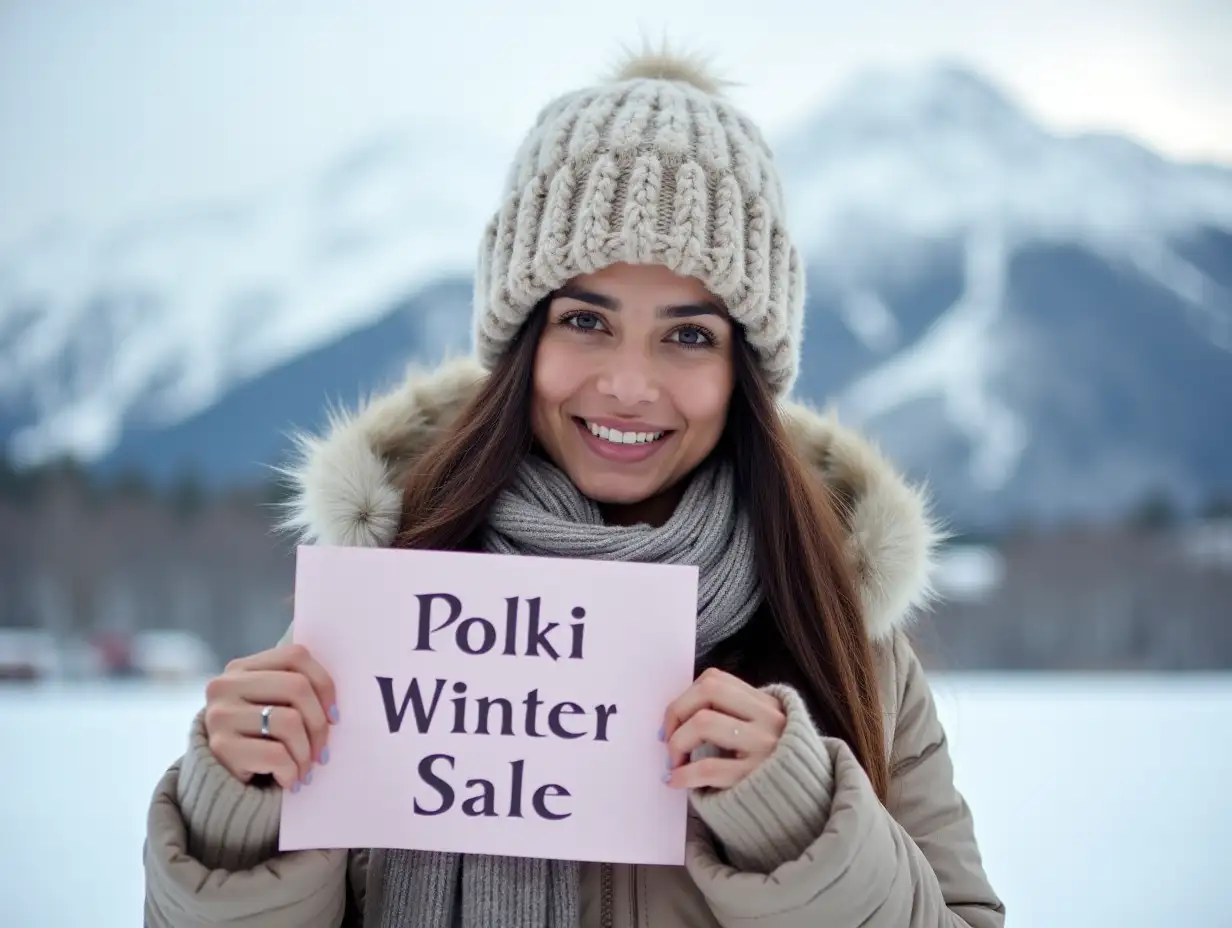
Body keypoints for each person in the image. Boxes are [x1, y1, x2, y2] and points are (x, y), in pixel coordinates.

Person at [143, 50, 1004, 928]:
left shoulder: (839, 633)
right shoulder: (381, 607)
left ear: (744, 369)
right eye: (585, 321)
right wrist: (241, 821)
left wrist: (803, 826)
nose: (630, 385)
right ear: (523, 342)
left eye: (690, 336)